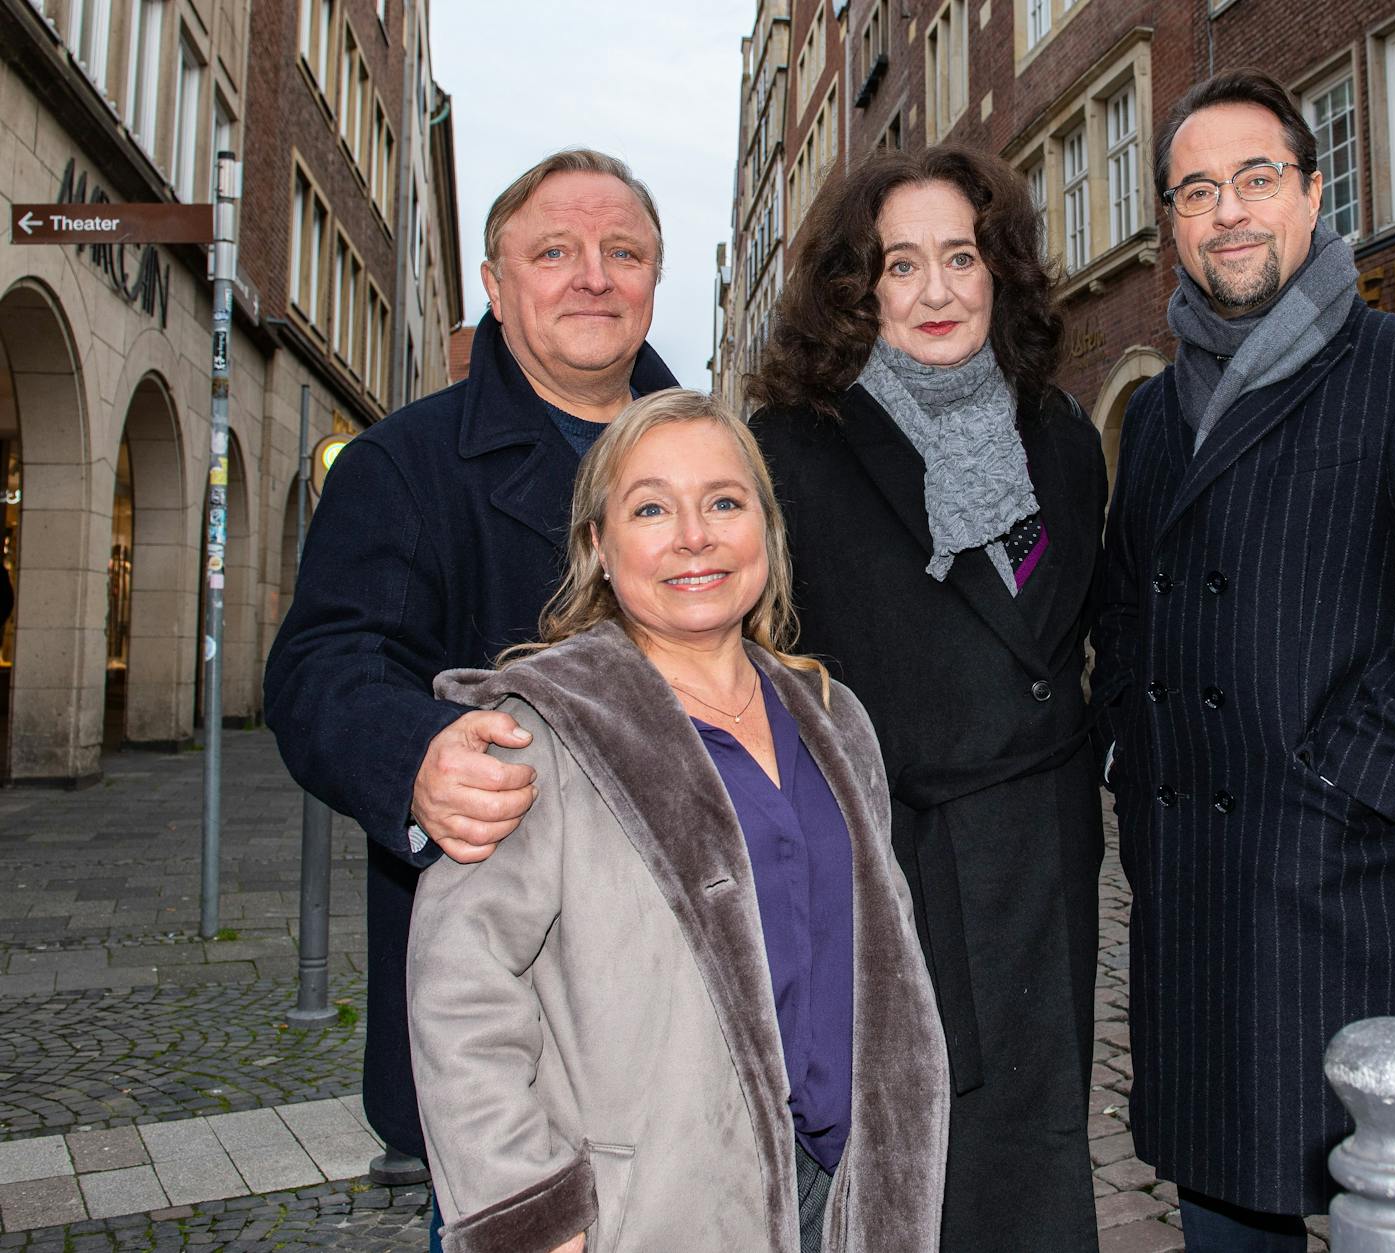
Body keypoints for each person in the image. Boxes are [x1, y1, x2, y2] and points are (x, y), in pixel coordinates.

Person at [1091, 70, 1395, 1249]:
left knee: (1382, 1197)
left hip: (1347, 890)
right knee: (1221, 1211)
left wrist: (1337, 782)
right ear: (1170, 228)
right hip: (1193, 897)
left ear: (1311, 191)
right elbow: (1127, 619)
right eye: (1197, 190)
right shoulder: (1149, 416)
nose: (1227, 210)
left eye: (1254, 179)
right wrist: (1140, 795)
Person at [407, 391, 948, 1253]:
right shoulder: (544, 731)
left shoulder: (835, 718)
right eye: (652, 507)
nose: (694, 536)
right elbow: (458, 986)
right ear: (599, 545)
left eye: (724, 503)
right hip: (651, 1206)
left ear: (764, 532)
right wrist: (531, 1212)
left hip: (840, 1194)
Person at [263, 149, 678, 1246]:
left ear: (651, 281)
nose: (591, 275)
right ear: (496, 287)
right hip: (514, 1031)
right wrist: (416, 755)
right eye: (554, 252)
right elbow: (321, 666)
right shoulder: (404, 465)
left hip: (694, 1021)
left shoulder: (714, 462)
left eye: (620, 251)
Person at [748, 145, 1106, 1252]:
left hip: (1039, 859)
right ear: (857, 291)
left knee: (1037, 1148)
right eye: (901, 265)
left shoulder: (1061, 436)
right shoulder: (795, 449)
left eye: (961, 255)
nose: (937, 290)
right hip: (893, 865)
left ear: (999, 271)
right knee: (912, 1161)